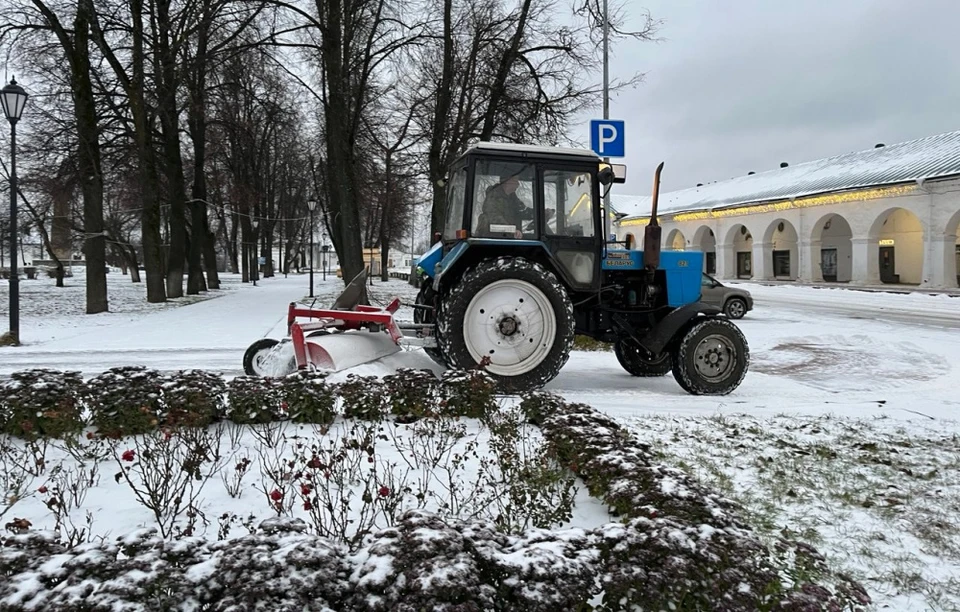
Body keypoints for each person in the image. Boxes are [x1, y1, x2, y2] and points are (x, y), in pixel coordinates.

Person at [478, 173, 534, 238]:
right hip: (493, 239)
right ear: (506, 181)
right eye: (515, 181)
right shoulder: (494, 197)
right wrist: (511, 230)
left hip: (509, 237)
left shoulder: (513, 199)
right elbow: (494, 217)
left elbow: (523, 211)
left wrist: (539, 214)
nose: (518, 184)